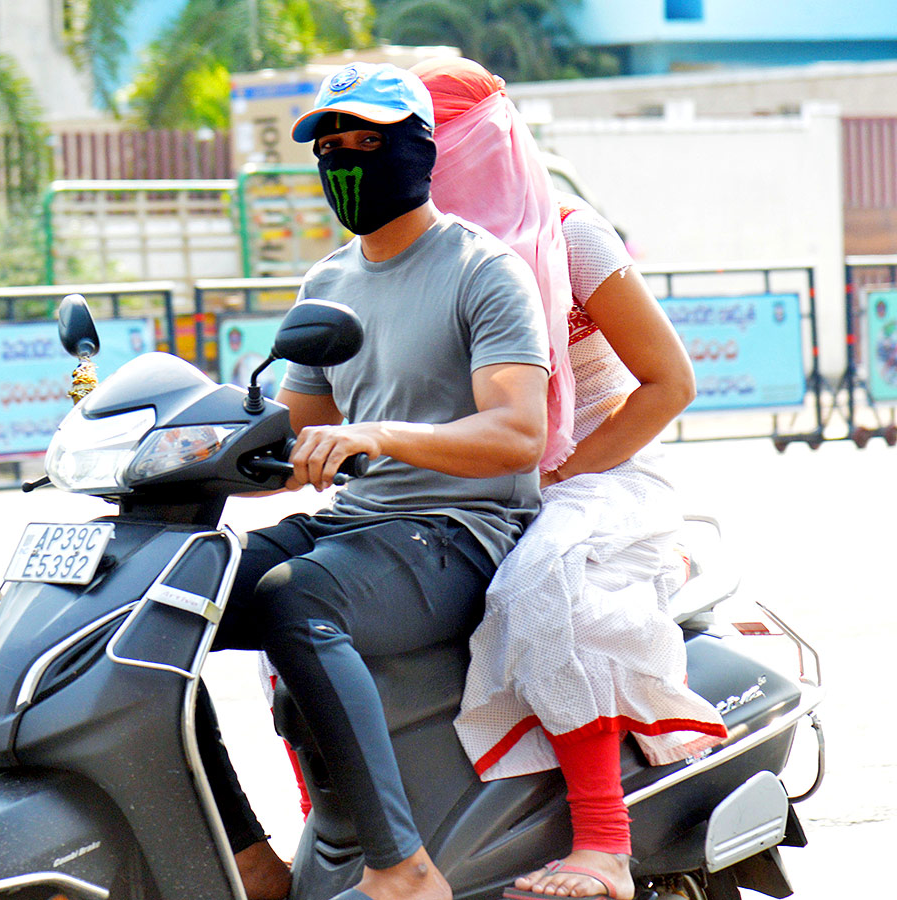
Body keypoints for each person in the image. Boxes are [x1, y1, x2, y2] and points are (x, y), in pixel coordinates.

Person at [201, 62, 552, 900]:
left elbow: (517, 433)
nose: (345, 160)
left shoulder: (483, 270)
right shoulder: (327, 282)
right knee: (162, 601)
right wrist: (186, 456)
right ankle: (250, 857)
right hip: (360, 526)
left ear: (419, 151)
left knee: (296, 598)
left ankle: (402, 869)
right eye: (329, 146)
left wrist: (378, 435)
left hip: (464, 533)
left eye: (367, 141)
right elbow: (290, 442)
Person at [408, 57, 728, 900]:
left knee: (541, 585)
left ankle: (605, 846)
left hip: (595, 468)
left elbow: (671, 384)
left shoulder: (567, 233)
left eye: (431, 141)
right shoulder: (400, 250)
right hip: (471, 475)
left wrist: (565, 468)